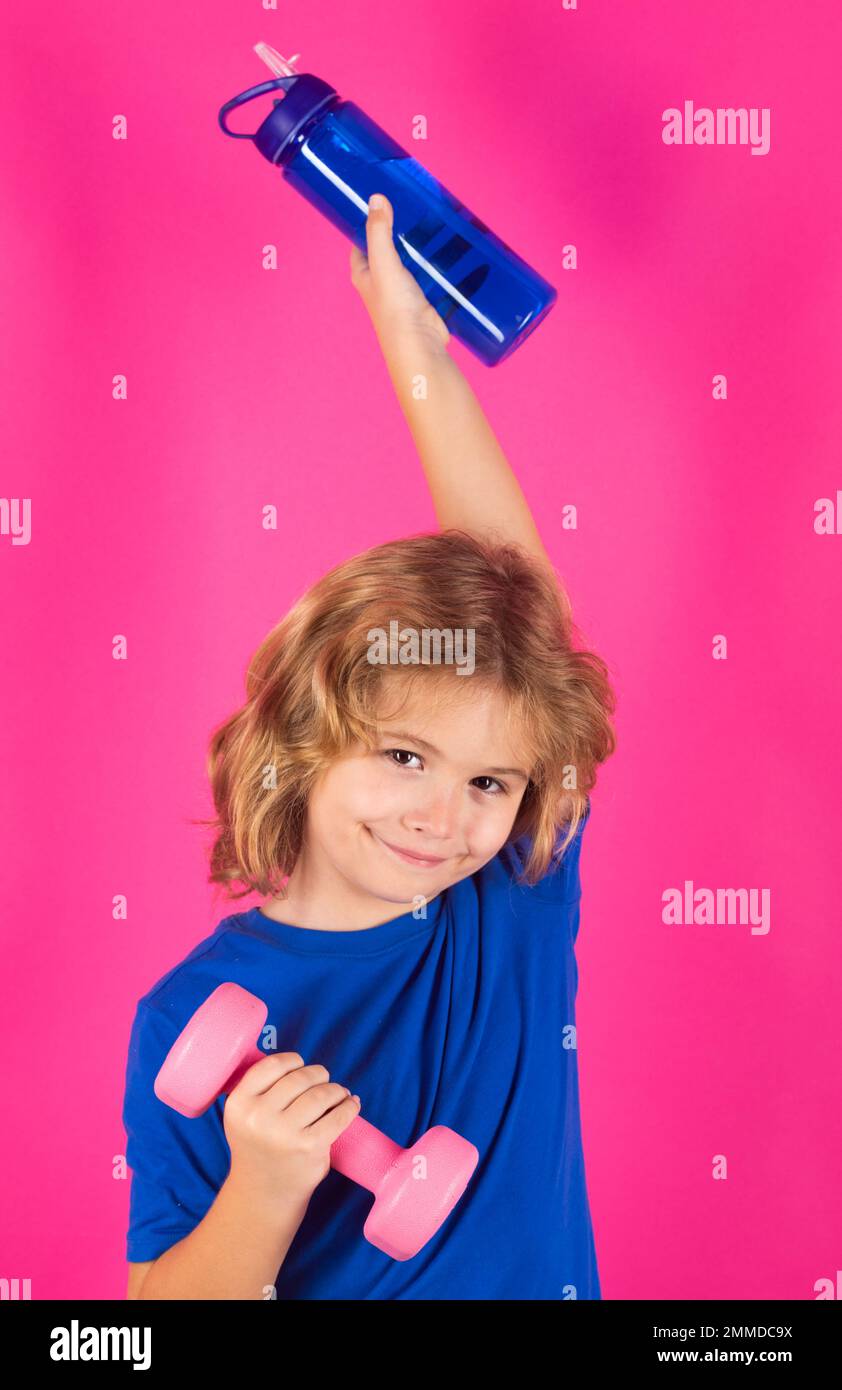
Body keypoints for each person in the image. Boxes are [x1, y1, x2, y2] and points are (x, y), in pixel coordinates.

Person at [123, 194, 617, 1300]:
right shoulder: (184, 1014)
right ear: (299, 741)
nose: (443, 817)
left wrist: (414, 343)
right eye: (403, 758)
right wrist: (262, 1185)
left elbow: (520, 605)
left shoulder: (510, 899)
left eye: (488, 779)